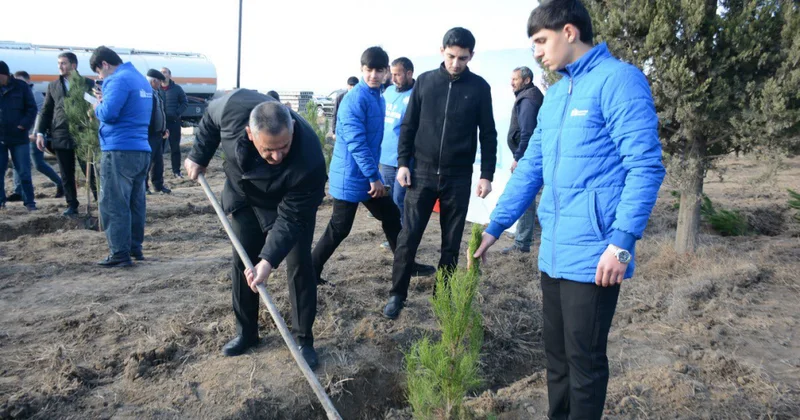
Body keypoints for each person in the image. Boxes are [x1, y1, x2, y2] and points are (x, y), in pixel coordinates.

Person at [472, 1, 666, 418]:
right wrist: (497, 225)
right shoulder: (557, 95)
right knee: (556, 363)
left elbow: (645, 166)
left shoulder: (619, 81)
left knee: (585, 365)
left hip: (596, 256)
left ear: (570, 32)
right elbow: (532, 170)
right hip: (554, 253)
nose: (536, 52)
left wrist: (621, 243)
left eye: (541, 41)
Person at [184, 91, 327, 369]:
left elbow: (292, 217)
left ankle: (303, 340)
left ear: (293, 129)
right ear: (250, 134)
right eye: (268, 149)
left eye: (283, 147)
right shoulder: (231, 109)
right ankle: (247, 333)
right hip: (245, 195)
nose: (277, 155)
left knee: (299, 264)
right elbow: (209, 122)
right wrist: (198, 155)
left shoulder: (310, 159)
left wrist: (269, 260)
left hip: (289, 203)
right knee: (244, 262)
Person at [383, 27, 498, 319]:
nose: (456, 62)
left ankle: (442, 296)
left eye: (463, 57)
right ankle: (397, 294)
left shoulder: (480, 88)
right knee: (408, 238)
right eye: (451, 56)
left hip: (457, 177)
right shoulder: (424, 82)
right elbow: (408, 126)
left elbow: (488, 134)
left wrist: (486, 174)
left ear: (471, 56)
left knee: (451, 242)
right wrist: (403, 163)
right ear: (441, 51)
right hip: (420, 173)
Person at [312, 47, 435, 287]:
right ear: (361, 70)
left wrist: (372, 175)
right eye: (369, 70)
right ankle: (310, 270)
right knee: (339, 228)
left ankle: (405, 264)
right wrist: (373, 177)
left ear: (386, 72)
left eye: (379, 70)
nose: (374, 75)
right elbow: (357, 144)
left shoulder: (378, 95)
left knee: (390, 216)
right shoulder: (355, 99)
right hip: (352, 175)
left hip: (365, 175)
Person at [90, 46, 152, 267]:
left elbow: (109, 113)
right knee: (136, 202)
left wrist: (98, 104)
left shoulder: (118, 80)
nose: (100, 78)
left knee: (114, 203)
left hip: (118, 149)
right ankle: (135, 247)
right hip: (141, 149)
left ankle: (119, 253)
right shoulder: (140, 79)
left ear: (104, 64)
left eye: (99, 73)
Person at [34, 52, 97, 216]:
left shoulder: (88, 84)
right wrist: (40, 132)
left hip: (83, 133)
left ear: (73, 65)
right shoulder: (53, 86)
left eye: (63, 63)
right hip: (61, 133)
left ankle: (100, 199)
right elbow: (46, 111)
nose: (60, 66)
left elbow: (96, 106)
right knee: (66, 172)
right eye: (59, 63)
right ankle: (72, 205)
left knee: (89, 169)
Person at [501, 66, 543, 254]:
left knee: (524, 196)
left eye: (515, 79)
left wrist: (519, 157)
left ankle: (522, 243)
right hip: (528, 155)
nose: (512, 82)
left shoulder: (528, 100)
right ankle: (523, 235)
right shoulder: (528, 95)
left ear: (526, 80)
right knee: (526, 197)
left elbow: (527, 132)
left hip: (527, 157)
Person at [7, 71, 64, 201]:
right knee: (17, 162)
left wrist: (36, 132)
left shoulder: (36, 94)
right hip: (20, 135)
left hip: (34, 135)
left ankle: (60, 183)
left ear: (28, 81)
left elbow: (41, 114)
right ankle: (18, 191)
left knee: (38, 164)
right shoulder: (16, 94)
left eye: (21, 80)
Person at [378, 57, 415, 250]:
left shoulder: (416, 95)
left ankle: (404, 239)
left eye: (397, 74)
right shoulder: (388, 92)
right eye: (391, 74)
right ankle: (394, 236)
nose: (393, 78)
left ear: (409, 73)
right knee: (389, 202)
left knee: (401, 200)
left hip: (404, 160)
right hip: (385, 157)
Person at [0, 61, 38, 210]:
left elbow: (32, 108)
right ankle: (1, 202)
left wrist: (23, 125)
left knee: (24, 172)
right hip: (0, 137)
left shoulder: (21, 87)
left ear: (4, 74)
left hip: (19, 137)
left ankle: (30, 202)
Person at [145, 69, 171, 194]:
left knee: (158, 162)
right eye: (159, 81)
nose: (161, 84)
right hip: (149, 134)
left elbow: (160, 113)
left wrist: (164, 128)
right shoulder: (146, 94)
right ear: (153, 81)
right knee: (147, 162)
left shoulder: (157, 93)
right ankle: (144, 187)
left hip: (158, 134)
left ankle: (158, 185)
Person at [160, 67, 188, 178]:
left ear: (170, 75)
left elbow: (184, 103)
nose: (163, 74)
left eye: (165, 72)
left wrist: (177, 113)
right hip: (161, 124)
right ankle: (159, 173)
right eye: (161, 72)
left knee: (175, 148)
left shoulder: (177, 89)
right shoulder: (156, 89)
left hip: (174, 123)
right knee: (158, 150)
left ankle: (176, 171)